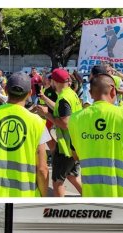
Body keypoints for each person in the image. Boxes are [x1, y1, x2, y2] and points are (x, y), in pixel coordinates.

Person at [68, 73, 123, 196]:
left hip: (93, 194)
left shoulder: (75, 119)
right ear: (113, 90)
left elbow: (76, 155)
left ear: (90, 92)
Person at [0, 72, 50, 197]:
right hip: (25, 195)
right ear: (29, 93)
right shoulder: (37, 122)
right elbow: (42, 169)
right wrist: (43, 195)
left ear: (5, 90)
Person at [33, 68, 82, 197]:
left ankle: (60, 209)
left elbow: (65, 124)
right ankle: (91, 199)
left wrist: (46, 114)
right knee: (73, 177)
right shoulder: (70, 94)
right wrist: (44, 98)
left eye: (51, 80)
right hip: (74, 145)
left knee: (57, 183)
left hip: (65, 148)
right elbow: (60, 109)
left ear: (55, 81)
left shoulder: (64, 98)